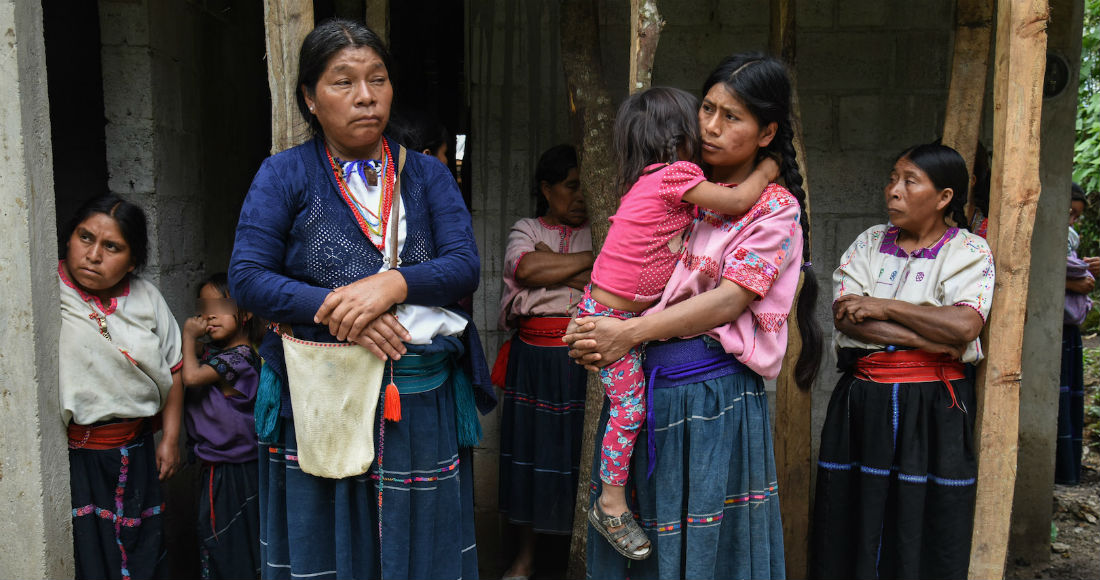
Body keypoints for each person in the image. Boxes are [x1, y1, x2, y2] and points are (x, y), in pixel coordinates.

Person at [228, 18, 492, 580]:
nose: (366, 96)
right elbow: (247, 278)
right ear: (309, 98)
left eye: (377, 79)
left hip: (416, 400)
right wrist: (345, 312)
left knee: (419, 548)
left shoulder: (427, 175)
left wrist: (393, 284)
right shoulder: (284, 175)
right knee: (330, 544)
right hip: (322, 397)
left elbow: (463, 265)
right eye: (343, 82)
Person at [566, 53, 820, 579]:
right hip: (642, 385)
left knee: (710, 553)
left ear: (767, 132)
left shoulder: (773, 210)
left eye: (733, 117)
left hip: (711, 399)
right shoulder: (677, 190)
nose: (710, 126)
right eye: (707, 108)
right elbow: (624, 272)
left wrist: (626, 332)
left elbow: (729, 301)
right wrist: (590, 332)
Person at [583, 86, 779, 560]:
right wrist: (770, 169)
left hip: (616, 320)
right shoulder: (676, 175)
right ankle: (610, 504)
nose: (710, 128)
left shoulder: (655, 185)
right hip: (614, 321)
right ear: (679, 136)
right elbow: (736, 203)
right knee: (629, 413)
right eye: (703, 117)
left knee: (627, 412)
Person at [811, 143, 995, 579]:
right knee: (852, 515)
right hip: (863, 401)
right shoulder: (870, 243)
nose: (893, 190)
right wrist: (930, 337)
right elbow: (847, 317)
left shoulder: (968, 251)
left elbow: (965, 326)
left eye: (909, 181)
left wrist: (884, 306)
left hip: (934, 408)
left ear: (944, 197)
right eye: (893, 178)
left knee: (923, 520)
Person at [60, 194, 184, 580]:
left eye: (111, 247)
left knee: (141, 550)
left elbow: (174, 370)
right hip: (78, 459)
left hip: (138, 451)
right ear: (68, 240)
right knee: (91, 556)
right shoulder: (47, 292)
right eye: (85, 238)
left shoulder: (147, 298)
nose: (93, 255)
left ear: (132, 261)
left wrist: (170, 438)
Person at [495, 144, 592, 579]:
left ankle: (585, 556)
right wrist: (588, 265)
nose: (581, 196)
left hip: (585, 360)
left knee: (580, 456)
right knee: (533, 457)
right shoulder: (526, 227)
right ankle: (526, 558)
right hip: (532, 363)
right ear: (546, 189)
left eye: (584, 186)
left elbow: (610, 277)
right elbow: (527, 268)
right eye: (571, 186)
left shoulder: (602, 229)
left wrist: (558, 265)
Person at [180, 273, 262, 579]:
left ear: (247, 312)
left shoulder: (239, 357)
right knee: (225, 542)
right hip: (220, 466)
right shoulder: (218, 356)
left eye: (220, 305)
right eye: (203, 308)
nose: (209, 314)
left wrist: (189, 337)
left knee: (228, 543)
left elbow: (191, 378)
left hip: (234, 469)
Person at [1057, 183, 1095, 484]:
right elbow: (1042, 270)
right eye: (1069, 213)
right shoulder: (1053, 238)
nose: (1072, 221)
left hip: (1066, 328)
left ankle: (1068, 470)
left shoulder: (1069, 238)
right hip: (1053, 327)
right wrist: (1074, 281)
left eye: (1076, 216)